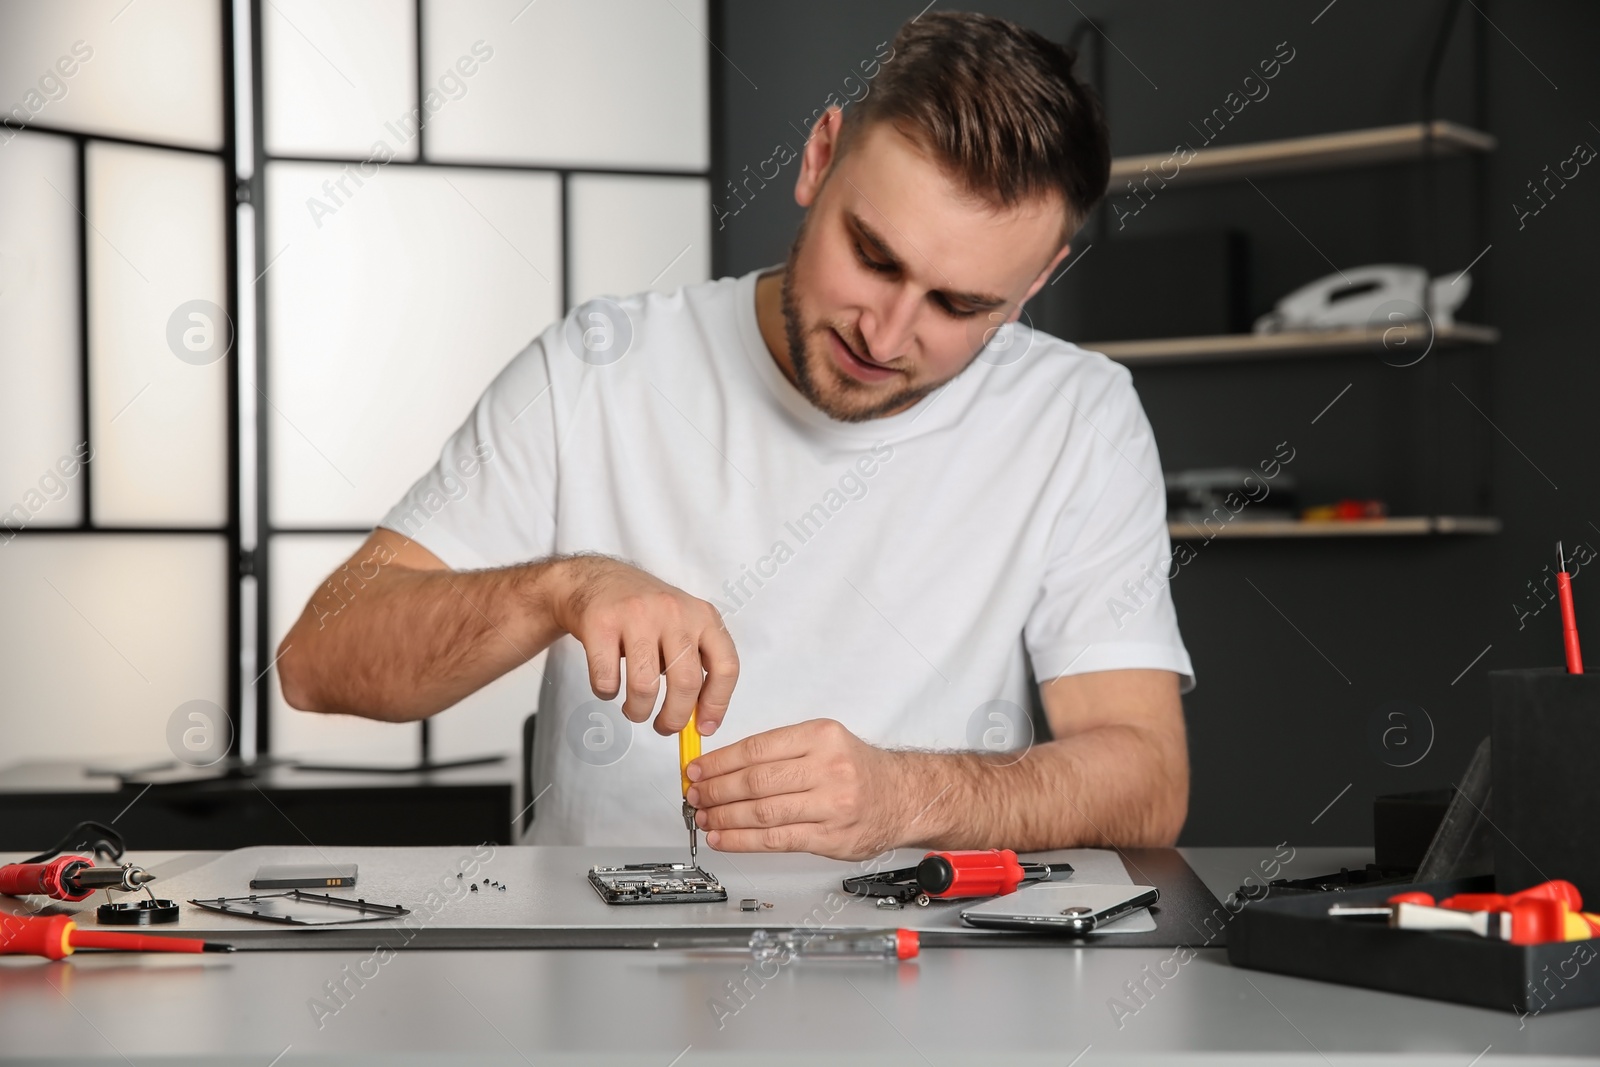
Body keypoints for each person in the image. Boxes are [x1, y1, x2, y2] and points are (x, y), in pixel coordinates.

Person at [278, 10, 1194, 860]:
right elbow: (319, 660)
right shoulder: (599, 366)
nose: (885, 333)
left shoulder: (1080, 415)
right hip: (600, 992)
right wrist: (558, 587)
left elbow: (1148, 780)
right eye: (874, 257)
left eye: (960, 305)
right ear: (818, 160)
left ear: (1034, 285)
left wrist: (905, 797)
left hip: (923, 983)